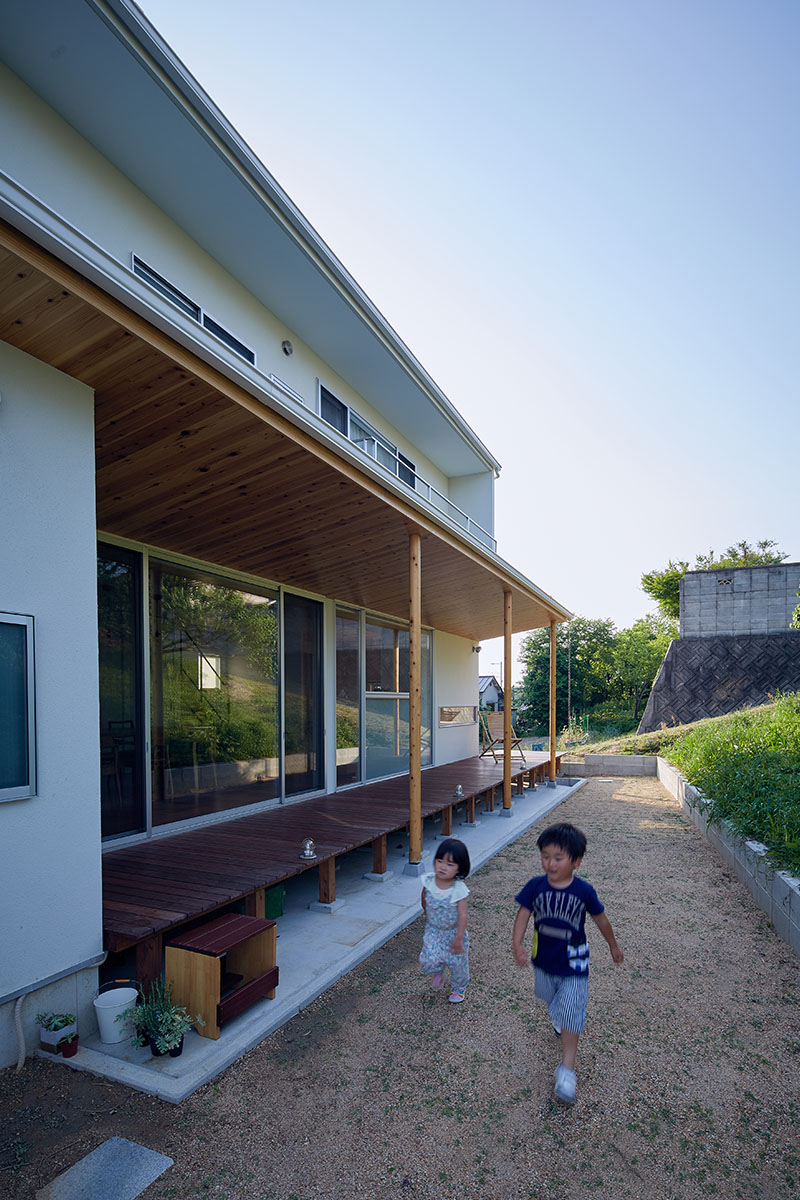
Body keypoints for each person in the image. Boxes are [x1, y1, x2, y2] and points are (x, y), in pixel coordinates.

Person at [511, 821, 623, 1105]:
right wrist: (517, 944)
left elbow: (600, 918)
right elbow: (523, 914)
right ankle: (557, 1013)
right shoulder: (535, 887)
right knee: (549, 998)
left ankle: (567, 1071)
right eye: (545, 856)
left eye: (558, 858)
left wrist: (612, 945)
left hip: (575, 964)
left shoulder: (583, 891)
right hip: (544, 963)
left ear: (576, 861)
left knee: (571, 1011)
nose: (550, 863)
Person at [419, 837, 471, 1003]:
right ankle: (438, 970)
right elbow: (424, 897)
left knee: (458, 965)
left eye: (450, 864)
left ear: (459, 868)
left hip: (453, 933)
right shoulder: (429, 882)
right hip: (434, 930)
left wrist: (459, 938)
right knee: (428, 959)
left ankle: (459, 988)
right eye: (440, 861)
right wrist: (427, 912)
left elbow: (463, 915)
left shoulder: (458, 889)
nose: (442, 867)